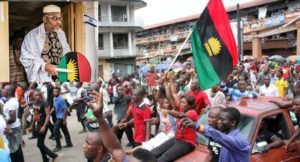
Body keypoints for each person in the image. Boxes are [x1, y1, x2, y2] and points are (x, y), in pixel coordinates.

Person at [87, 90, 157, 162]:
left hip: (142, 138)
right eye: (132, 94)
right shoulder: (135, 105)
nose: (132, 96)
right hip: (136, 136)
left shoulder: (145, 108)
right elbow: (136, 117)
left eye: (135, 95)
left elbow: (148, 125)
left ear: (142, 96)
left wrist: (147, 142)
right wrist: (126, 123)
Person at [150, 73, 197, 162]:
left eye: (184, 103)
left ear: (190, 105)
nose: (181, 104)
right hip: (177, 138)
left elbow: (180, 115)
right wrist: (168, 81)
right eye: (181, 102)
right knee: (153, 152)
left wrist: (168, 111)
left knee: (163, 158)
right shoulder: (181, 109)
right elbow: (173, 94)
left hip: (187, 143)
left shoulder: (192, 112)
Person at [20, 4, 71, 82]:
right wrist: (44, 66)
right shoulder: (31, 36)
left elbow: (67, 51)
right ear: (44, 19)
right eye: (54, 18)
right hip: (42, 79)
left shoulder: (61, 33)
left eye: (60, 18)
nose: (59, 22)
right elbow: (25, 58)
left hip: (61, 77)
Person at [181, 107, 251, 162]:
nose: (218, 122)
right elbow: (213, 135)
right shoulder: (225, 134)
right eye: (219, 119)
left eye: (222, 120)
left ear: (233, 123)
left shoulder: (240, 141)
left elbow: (219, 136)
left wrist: (197, 127)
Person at [30, 90, 58, 162]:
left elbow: (48, 115)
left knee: (40, 144)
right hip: (38, 124)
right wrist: (32, 125)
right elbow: (35, 114)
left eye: (39, 95)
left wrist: (44, 126)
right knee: (40, 144)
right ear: (34, 96)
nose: (37, 96)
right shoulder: (35, 103)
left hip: (43, 124)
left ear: (41, 95)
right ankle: (45, 159)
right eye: (36, 95)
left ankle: (53, 156)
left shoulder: (44, 102)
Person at [3, 85, 24, 162]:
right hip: (13, 128)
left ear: (9, 92)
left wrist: (3, 121)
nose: (2, 90)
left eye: (4, 89)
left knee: (15, 151)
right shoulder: (9, 101)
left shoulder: (11, 103)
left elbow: (13, 118)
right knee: (16, 150)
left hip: (13, 129)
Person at [52, 87, 73, 152]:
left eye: (56, 91)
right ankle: (69, 143)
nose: (55, 93)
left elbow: (65, 110)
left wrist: (64, 120)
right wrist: (50, 112)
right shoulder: (54, 98)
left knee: (55, 130)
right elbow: (54, 107)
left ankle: (58, 146)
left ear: (59, 92)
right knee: (64, 130)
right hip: (58, 116)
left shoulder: (61, 99)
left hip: (61, 117)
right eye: (54, 91)